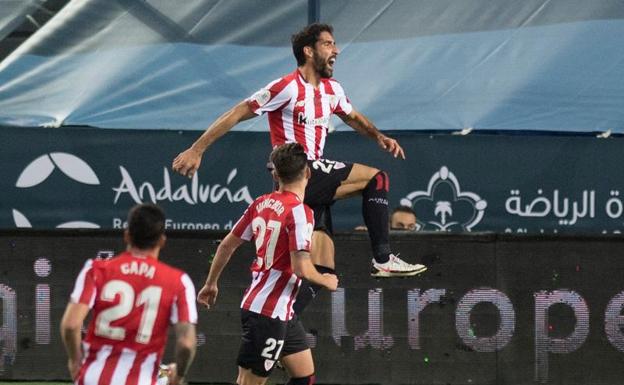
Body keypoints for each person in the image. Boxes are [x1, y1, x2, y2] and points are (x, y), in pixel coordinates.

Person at [172, 23, 426, 282]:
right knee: (377, 179)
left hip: (311, 181)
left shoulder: (332, 89)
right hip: (296, 173)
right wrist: (197, 149)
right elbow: (238, 112)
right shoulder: (287, 87)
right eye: (328, 44)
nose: (336, 50)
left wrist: (379, 137)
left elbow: (353, 117)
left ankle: (280, 315)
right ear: (308, 51)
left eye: (334, 44)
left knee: (323, 269)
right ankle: (383, 259)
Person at [196, 143, 338, 385]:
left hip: (280, 311)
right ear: (308, 173)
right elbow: (300, 267)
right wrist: (327, 280)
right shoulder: (301, 212)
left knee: (305, 377)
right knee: (249, 382)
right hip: (268, 312)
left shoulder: (260, 203)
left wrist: (211, 283)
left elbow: (226, 246)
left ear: (275, 174)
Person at [60, 204, 197, 385]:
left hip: (93, 377)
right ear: (162, 241)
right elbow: (186, 343)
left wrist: (75, 361)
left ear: (127, 236)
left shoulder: (95, 269)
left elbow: (71, 325)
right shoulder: (179, 281)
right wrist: (178, 375)